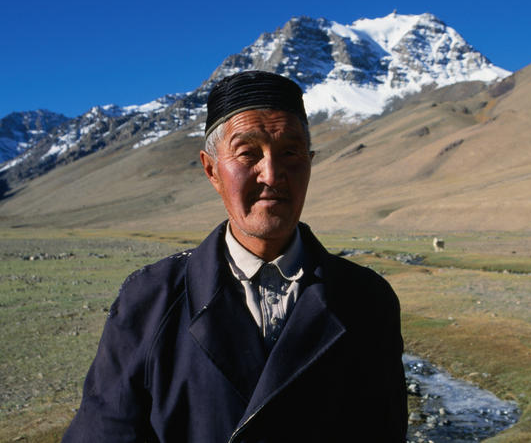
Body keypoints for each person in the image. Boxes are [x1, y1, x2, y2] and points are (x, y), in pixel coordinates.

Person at [62, 70, 407, 442]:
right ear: (211, 169)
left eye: (290, 152)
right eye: (248, 154)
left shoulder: (366, 300)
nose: (272, 174)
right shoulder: (149, 299)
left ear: (309, 162)